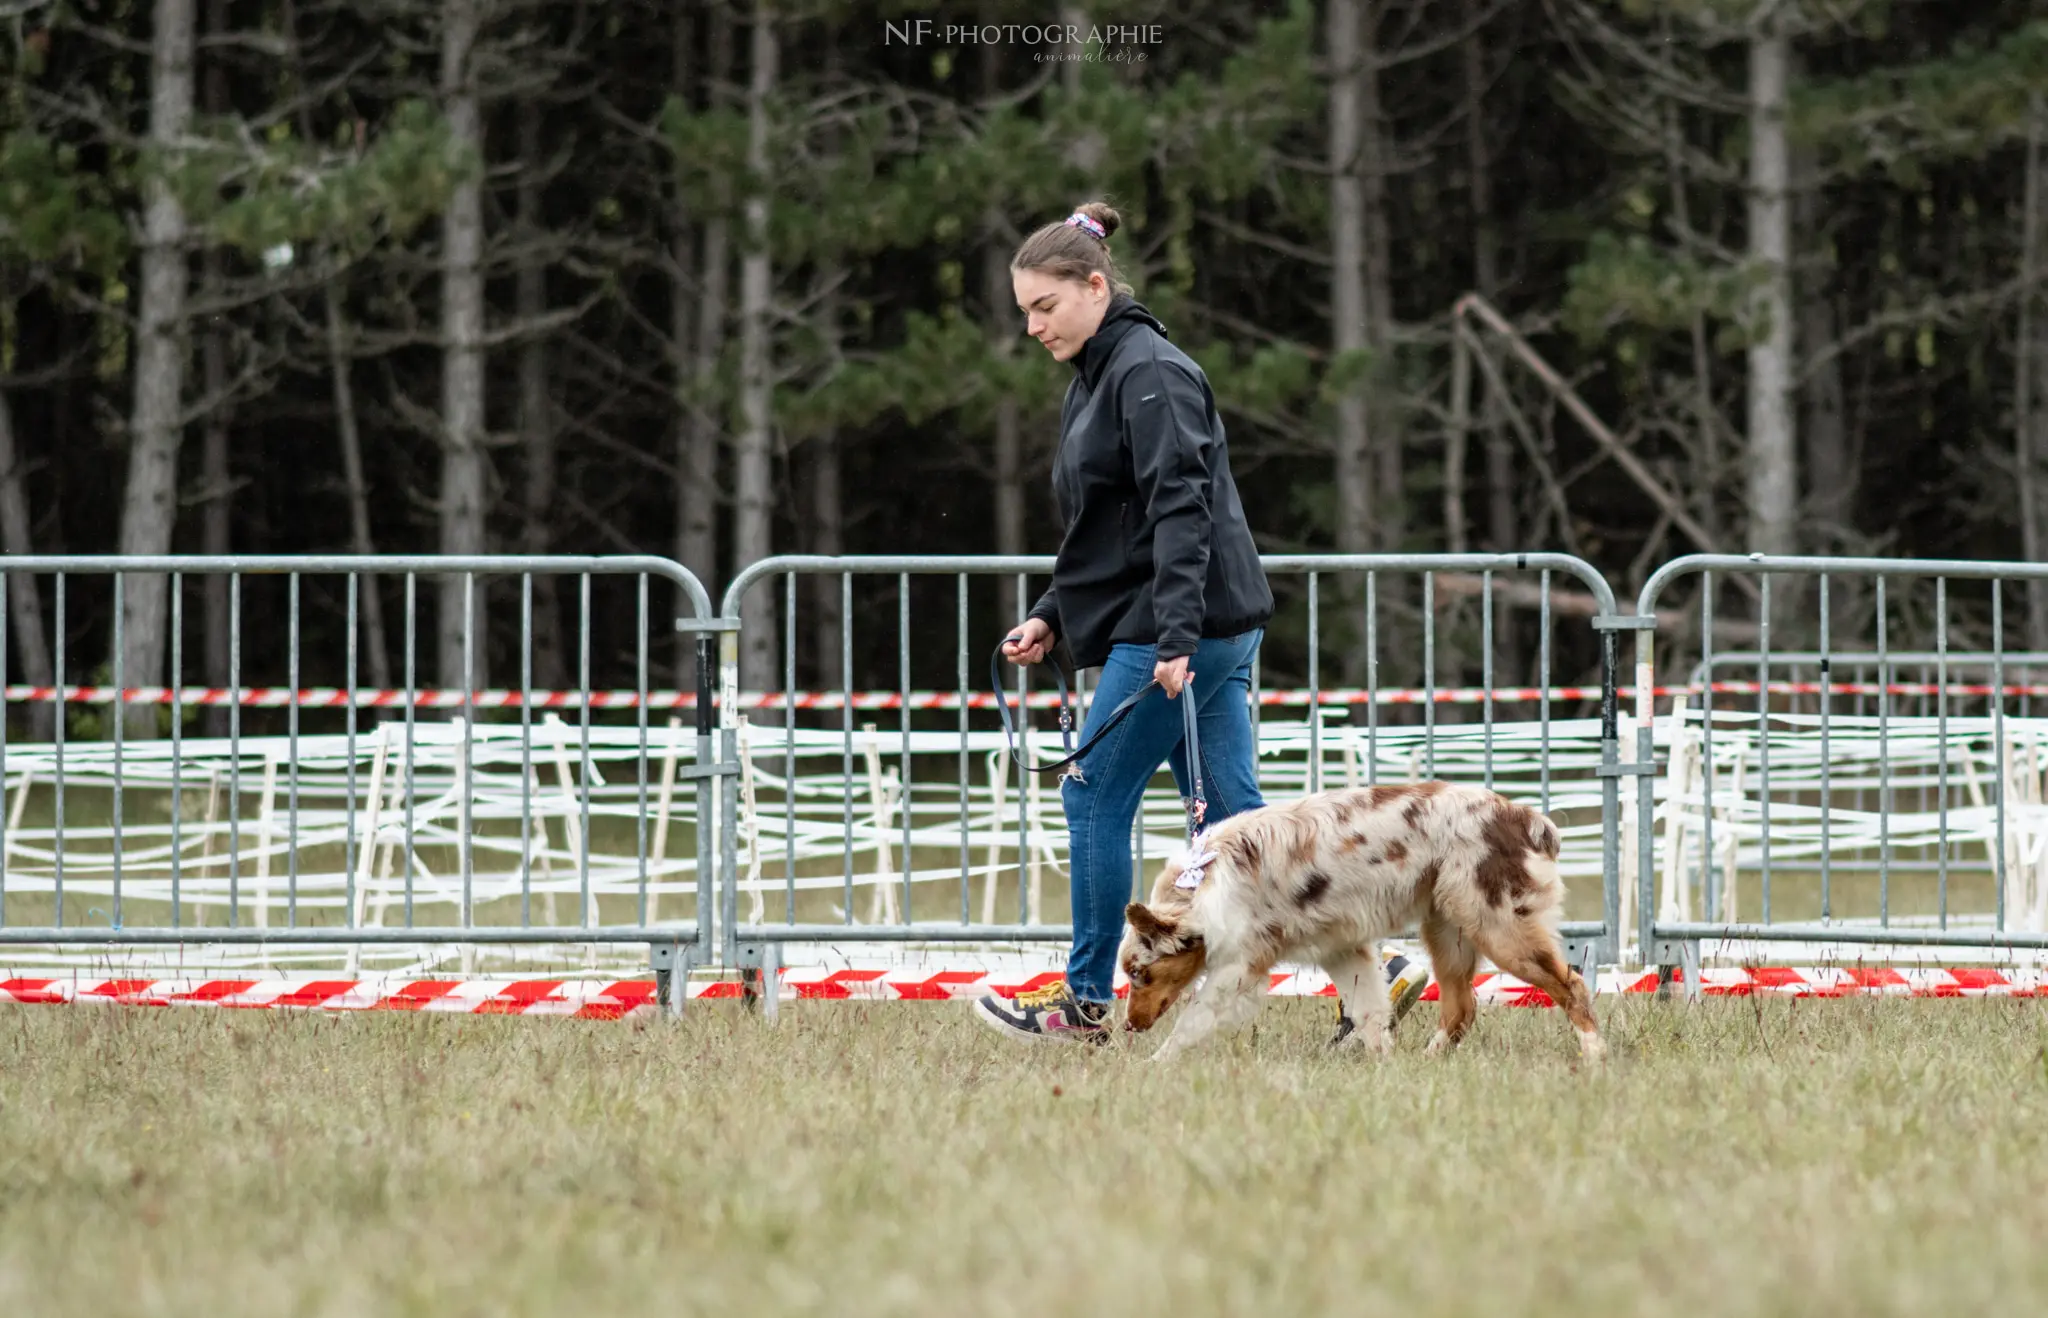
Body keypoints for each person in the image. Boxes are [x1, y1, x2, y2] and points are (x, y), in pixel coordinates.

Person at [973, 201, 1430, 1045]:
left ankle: (1085, 1005)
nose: (1032, 327)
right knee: (1242, 829)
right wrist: (1048, 615)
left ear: (1095, 287)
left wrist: (1176, 637)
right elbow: (1106, 525)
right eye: (1024, 312)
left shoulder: (1151, 372)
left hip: (1179, 629)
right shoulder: (1102, 377)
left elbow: (1182, 511)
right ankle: (1375, 973)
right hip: (1190, 622)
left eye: (1045, 306)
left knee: (1093, 795)